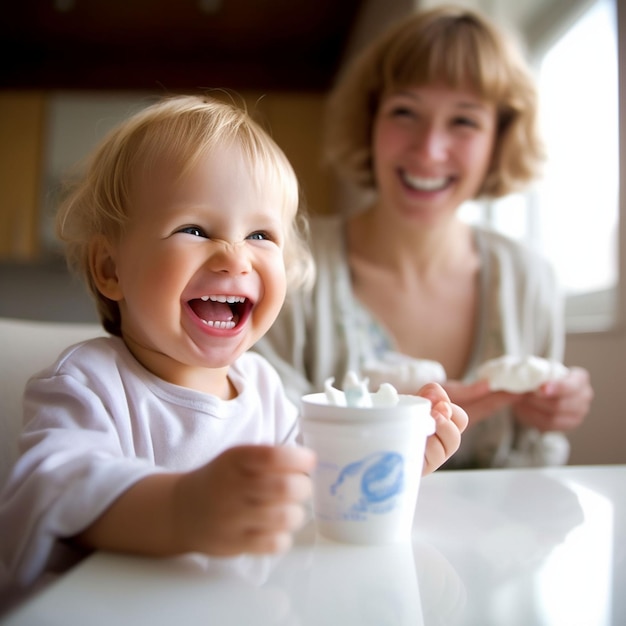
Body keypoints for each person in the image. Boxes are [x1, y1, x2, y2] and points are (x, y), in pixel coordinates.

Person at [0, 94, 467, 592]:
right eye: (195, 229)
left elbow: (309, 489)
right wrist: (180, 509)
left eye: (261, 235)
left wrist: (384, 459)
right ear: (110, 268)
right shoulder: (90, 382)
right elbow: (52, 490)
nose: (234, 258)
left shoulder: (263, 389)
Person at [254, 5, 593, 469]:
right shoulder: (290, 266)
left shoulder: (527, 280)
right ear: (369, 122)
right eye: (405, 112)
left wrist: (552, 414)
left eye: (464, 121)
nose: (429, 149)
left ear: (500, 140)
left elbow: (537, 463)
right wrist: (380, 420)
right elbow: (253, 429)